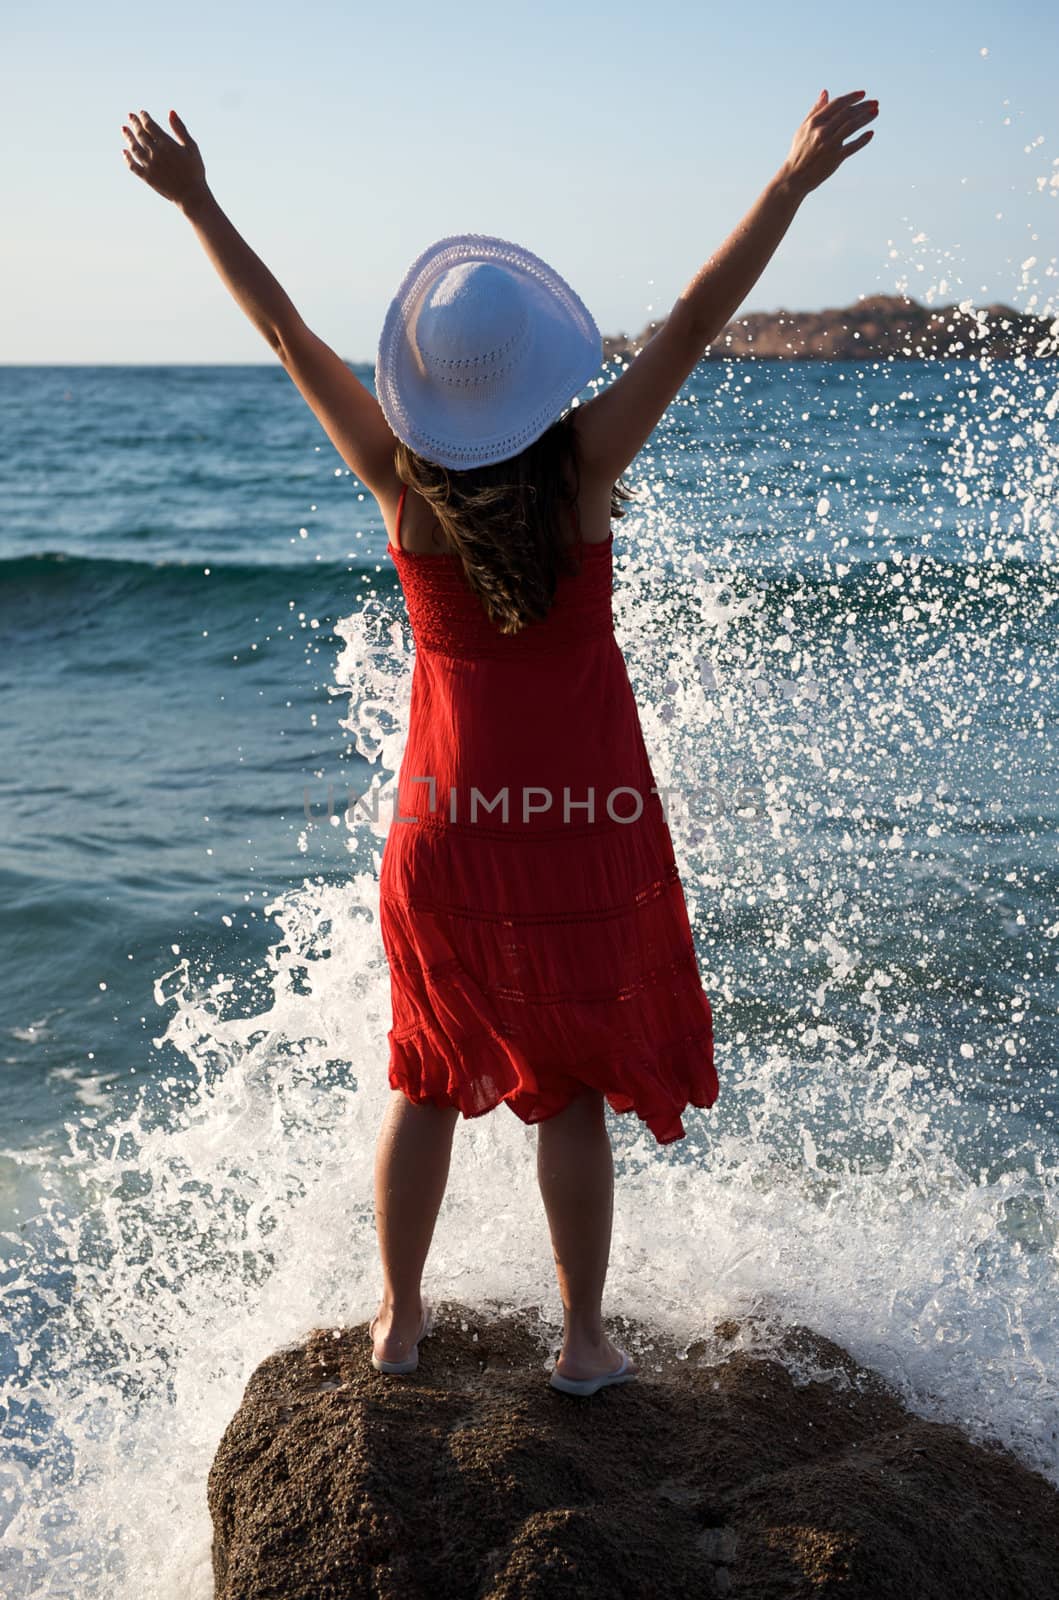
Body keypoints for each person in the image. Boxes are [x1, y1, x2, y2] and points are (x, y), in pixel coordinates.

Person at [122, 87, 878, 1396]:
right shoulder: (585, 469)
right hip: (584, 822)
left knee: (423, 1072)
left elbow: (288, 335)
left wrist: (197, 203)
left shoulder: (401, 493)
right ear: (537, 371)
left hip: (444, 825)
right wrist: (793, 181)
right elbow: (700, 318)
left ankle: (398, 1325)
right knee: (571, 1085)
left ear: (423, 383)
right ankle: (585, 1342)